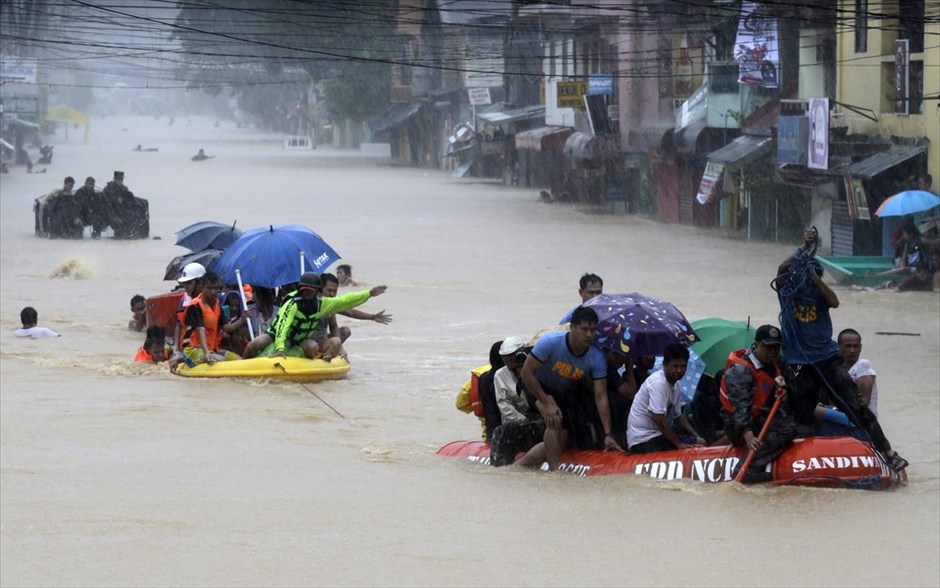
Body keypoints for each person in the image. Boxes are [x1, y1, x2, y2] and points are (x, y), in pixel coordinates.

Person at [775, 229, 908, 472]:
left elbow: (835, 301)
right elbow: (782, 270)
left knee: (858, 408)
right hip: (798, 362)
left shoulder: (820, 293)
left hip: (826, 358)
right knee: (799, 415)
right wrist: (803, 249)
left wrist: (815, 279)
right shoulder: (787, 292)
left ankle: (887, 453)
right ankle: (798, 460)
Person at [515, 306, 622, 471]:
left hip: (561, 391)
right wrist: (546, 402)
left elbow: (601, 397)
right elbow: (526, 373)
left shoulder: (596, 357)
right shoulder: (550, 342)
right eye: (584, 329)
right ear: (572, 327)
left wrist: (608, 434)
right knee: (554, 419)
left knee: (561, 440)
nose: (589, 335)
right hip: (535, 385)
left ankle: (519, 467)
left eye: (593, 330)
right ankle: (554, 472)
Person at [720, 325, 813, 483]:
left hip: (765, 416)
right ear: (757, 346)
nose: (773, 352)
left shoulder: (778, 362)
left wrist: (787, 393)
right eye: (768, 347)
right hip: (738, 423)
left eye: (776, 348)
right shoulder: (741, 371)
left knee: (806, 431)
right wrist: (747, 434)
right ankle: (747, 468)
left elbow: (794, 386)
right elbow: (739, 407)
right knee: (787, 430)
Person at [242, 272, 387, 360]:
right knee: (255, 344)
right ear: (300, 289)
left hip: (299, 339)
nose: (307, 294)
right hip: (277, 336)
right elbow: (282, 327)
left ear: (316, 291)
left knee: (312, 347)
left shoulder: (321, 304)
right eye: (305, 290)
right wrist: (279, 349)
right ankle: (243, 365)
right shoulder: (292, 303)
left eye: (311, 291)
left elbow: (345, 301)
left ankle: (315, 364)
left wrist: (368, 294)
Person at [627, 343, 705, 453]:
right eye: (675, 366)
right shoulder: (658, 383)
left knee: (701, 442)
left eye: (683, 366)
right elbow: (659, 419)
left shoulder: (676, 386)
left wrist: (696, 435)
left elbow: (678, 415)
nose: (679, 370)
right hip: (643, 440)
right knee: (698, 445)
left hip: (657, 436)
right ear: (665, 365)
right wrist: (679, 444)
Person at [489, 336, 545, 467]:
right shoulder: (500, 375)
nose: (508, 359)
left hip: (539, 420)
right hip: (517, 424)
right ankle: (500, 466)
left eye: (512, 355)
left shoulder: (535, 368)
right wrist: (522, 419)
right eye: (505, 357)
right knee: (502, 431)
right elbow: (504, 404)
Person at [181, 271, 241, 365]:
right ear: (202, 287)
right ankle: (181, 358)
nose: (213, 292)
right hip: (193, 350)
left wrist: (243, 318)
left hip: (213, 349)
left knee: (238, 359)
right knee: (219, 360)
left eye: (216, 288)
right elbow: (200, 329)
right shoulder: (195, 306)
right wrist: (206, 353)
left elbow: (227, 328)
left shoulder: (217, 304)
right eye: (209, 288)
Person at [319, 272, 392, 345]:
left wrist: (372, 317)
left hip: (322, 339)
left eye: (335, 291)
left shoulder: (331, 305)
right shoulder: (313, 302)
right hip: (310, 343)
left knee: (345, 331)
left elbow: (347, 313)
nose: (332, 294)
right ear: (320, 289)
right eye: (329, 290)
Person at [838, 328, 878, 416]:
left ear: (860, 348)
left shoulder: (863, 365)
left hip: (861, 422)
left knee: (817, 412)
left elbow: (862, 405)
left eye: (856, 346)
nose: (852, 350)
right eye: (848, 346)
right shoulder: (836, 369)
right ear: (838, 347)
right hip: (843, 416)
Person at [173, 262, 206, 350]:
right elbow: (178, 325)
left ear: (200, 282)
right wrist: (175, 346)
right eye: (184, 284)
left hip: (205, 346)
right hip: (187, 348)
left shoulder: (209, 299)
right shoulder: (184, 300)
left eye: (189, 283)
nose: (186, 287)